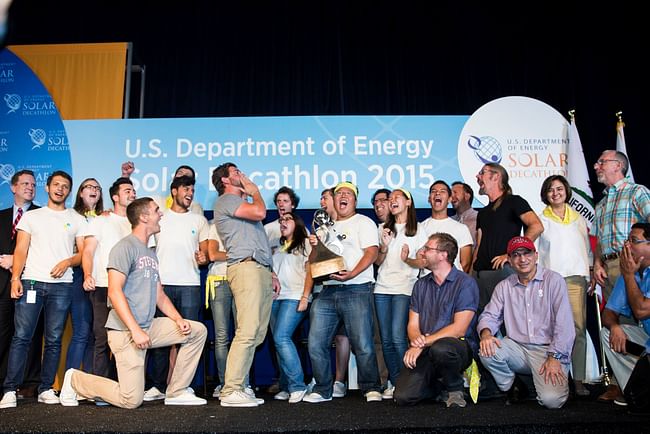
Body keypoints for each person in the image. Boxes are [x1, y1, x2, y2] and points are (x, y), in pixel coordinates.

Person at [57, 197, 207, 408]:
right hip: (125, 331)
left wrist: (178, 318)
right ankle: (75, 380)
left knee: (196, 330)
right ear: (144, 217)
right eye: (156, 210)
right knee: (131, 400)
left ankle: (176, 391)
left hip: (148, 327)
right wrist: (135, 330)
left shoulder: (150, 252)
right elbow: (115, 291)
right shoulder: (124, 247)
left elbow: (159, 295)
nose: (161, 213)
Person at [0, 171, 86, 408]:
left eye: (65, 186)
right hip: (32, 283)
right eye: (56, 184)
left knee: (54, 339)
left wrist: (68, 262)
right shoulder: (32, 217)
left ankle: (46, 387)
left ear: (69, 191)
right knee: (21, 337)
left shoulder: (77, 218)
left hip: (62, 287)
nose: (60, 189)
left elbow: (82, 254)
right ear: (47, 188)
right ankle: (9, 389)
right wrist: (15, 278)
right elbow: (20, 250)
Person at [305, 181, 382, 403]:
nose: (343, 196)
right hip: (326, 291)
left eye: (348, 193)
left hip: (357, 288)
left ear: (355, 201)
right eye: (339, 194)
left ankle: (371, 387)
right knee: (316, 342)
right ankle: (322, 389)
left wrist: (352, 273)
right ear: (334, 200)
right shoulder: (323, 228)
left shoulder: (364, 222)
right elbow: (313, 263)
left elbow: (372, 252)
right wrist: (315, 246)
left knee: (363, 342)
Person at [477, 236, 575, 409]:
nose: (522, 259)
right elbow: (489, 316)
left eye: (527, 253)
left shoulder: (554, 280)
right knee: (487, 350)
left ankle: (555, 381)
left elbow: (564, 325)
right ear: (509, 260)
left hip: (547, 350)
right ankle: (515, 385)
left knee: (551, 401)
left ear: (536, 255)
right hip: (518, 347)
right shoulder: (504, 286)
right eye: (516, 255)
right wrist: (486, 334)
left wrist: (555, 357)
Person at [211, 162, 280, 408]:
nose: (242, 175)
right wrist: (255, 190)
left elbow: (256, 238)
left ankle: (239, 385)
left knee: (257, 333)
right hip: (245, 268)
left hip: (258, 267)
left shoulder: (241, 205)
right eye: (236, 172)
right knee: (247, 330)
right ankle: (231, 389)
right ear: (226, 181)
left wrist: (271, 272)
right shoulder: (226, 201)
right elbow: (261, 212)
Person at [393, 232, 479, 407]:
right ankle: (441, 387)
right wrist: (418, 342)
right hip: (426, 346)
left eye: (427, 248)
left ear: (443, 255)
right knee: (403, 396)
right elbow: (412, 324)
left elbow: (459, 329)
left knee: (442, 349)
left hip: (457, 346)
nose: (422, 252)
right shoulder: (421, 285)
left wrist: (421, 343)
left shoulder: (465, 283)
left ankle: (455, 390)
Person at [591, 150, 650, 402]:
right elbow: (600, 241)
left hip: (637, 264)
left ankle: (642, 381)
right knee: (616, 325)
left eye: (601, 162)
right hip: (610, 266)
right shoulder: (601, 203)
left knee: (639, 318)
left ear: (618, 166)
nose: (596, 166)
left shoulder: (637, 192)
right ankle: (625, 384)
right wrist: (596, 263)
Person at [145, 175, 209, 401]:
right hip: (162, 286)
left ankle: (182, 387)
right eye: (185, 188)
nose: (190, 193)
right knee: (162, 339)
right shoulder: (160, 219)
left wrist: (203, 258)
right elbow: (150, 252)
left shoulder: (199, 220)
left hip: (190, 285)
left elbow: (204, 254)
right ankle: (158, 386)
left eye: (192, 189)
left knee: (188, 335)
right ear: (174, 191)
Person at [536, 175, 592, 396]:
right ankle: (556, 378)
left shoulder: (578, 218)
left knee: (577, 330)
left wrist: (589, 272)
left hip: (576, 280)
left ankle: (578, 379)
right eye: (551, 189)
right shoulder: (541, 220)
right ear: (545, 194)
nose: (555, 193)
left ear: (567, 191)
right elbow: (536, 255)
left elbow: (586, 249)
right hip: (551, 281)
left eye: (559, 188)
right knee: (552, 331)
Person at [374, 188, 426, 399]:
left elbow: (423, 262)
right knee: (386, 339)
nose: (392, 200)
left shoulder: (419, 230)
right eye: (390, 198)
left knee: (397, 337)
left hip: (405, 288)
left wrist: (407, 259)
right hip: (382, 288)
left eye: (397, 197)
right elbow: (377, 262)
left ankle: (406, 381)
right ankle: (394, 383)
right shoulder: (382, 228)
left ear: (408, 202)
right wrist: (384, 247)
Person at [82, 177, 135, 380]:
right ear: (115, 197)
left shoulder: (138, 221)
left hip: (131, 288)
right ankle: (102, 386)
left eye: (133, 191)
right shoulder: (101, 221)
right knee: (102, 338)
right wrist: (87, 275)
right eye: (127, 190)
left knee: (129, 337)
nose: (132, 193)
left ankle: (126, 384)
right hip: (104, 285)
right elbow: (88, 251)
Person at [473, 163, 543, 309]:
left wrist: (511, 254)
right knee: (483, 322)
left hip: (503, 273)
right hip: (480, 275)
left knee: (510, 323)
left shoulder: (514, 202)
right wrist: (471, 274)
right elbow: (479, 245)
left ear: (496, 176)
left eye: (482, 173)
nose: (477, 176)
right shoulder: (483, 213)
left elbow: (536, 226)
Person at [0, 170, 42, 398]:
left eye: (33, 184)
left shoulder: (41, 215)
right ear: (13, 187)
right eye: (25, 183)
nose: (30, 187)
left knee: (32, 335)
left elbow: (46, 251)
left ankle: (29, 384)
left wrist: (16, 261)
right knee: (4, 334)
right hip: (2, 285)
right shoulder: (1, 216)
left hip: (31, 283)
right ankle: (4, 384)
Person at [600, 223, 650, 406]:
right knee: (607, 333)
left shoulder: (629, 272)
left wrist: (629, 275)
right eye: (627, 240)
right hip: (647, 340)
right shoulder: (630, 273)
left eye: (634, 241)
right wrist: (614, 326)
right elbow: (608, 312)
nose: (627, 245)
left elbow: (641, 310)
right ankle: (631, 387)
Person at [270, 212, 313, 403]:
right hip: (278, 298)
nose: (282, 223)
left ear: (297, 223)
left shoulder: (305, 243)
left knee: (281, 337)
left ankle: (298, 385)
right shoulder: (279, 247)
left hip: (295, 296)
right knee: (279, 342)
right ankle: (287, 385)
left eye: (287, 219)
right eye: (281, 220)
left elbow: (311, 271)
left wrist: (305, 296)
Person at [67, 178, 105, 372]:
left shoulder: (105, 218)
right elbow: (83, 252)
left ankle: (90, 381)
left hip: (102, 279)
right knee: (81, 331)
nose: (94, 190)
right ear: (80, 192)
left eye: (97, 188)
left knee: (95, 333)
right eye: (89, 187)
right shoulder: (71, 216)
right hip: (80, 276)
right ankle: (70, 384)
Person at [421, 181, 473, 273]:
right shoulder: (420, 228)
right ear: (429, 199)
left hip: (454, 284)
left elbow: (465, 262)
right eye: (434, 191)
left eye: (442, 191)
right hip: (427, 283)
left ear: (449, 199)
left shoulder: (461, 228)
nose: (437, 193)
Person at [264, 186, 300, 253]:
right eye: (278, 201)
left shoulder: (301, 228)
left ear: (293, 205)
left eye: (285, 201)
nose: (281, 204)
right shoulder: (267, 228)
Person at [451, 181, 478, 246]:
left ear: (467, 196)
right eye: (450, 194)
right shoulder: (449, 221)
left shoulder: (480, 218)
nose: (451, 196)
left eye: (455, 192)